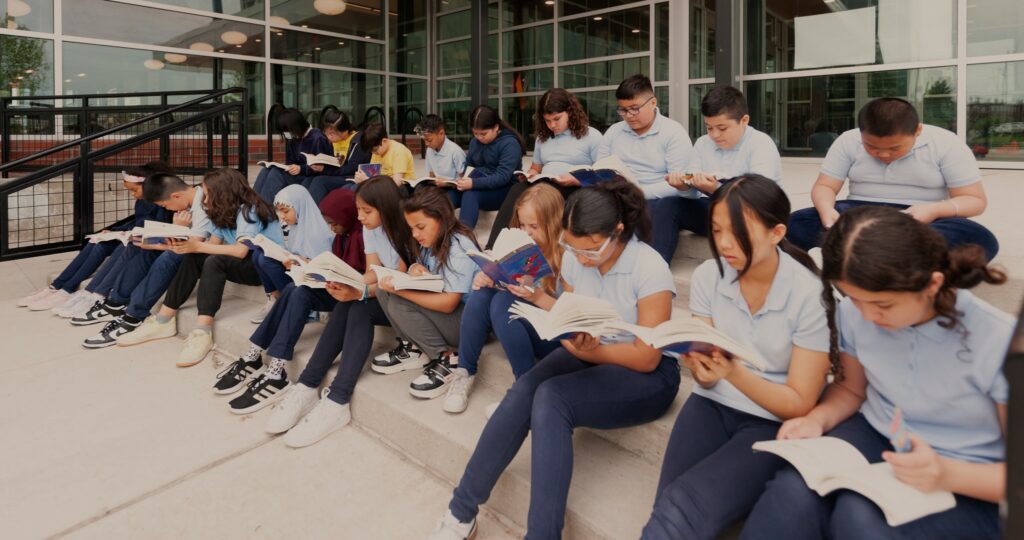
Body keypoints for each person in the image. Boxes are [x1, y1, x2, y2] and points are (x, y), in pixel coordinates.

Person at [428, 178, 681, 539]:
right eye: (573, 249)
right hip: (592, 348)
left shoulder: (649, 267)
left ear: (618, 232)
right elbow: (573, 308)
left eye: (589, 250)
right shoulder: (579, 258)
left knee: (551, 398)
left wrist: (590, 348)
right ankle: (460, 512)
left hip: (645, 373)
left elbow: (647, 358)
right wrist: (541, 302)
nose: (580, 259)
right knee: (525, 389)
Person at [742, 206, 1011, 540]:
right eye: (855, 300)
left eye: (883, 305)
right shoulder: (856, 314)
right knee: (792, 491)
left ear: (932, 283)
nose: (867, 317)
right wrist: (819, 419)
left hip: (970, 473)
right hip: (881, 433)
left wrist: (946, 474)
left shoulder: (1002, 343)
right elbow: (852, 390)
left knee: (862, 519)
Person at [641, 175, 830, 540]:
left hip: (771, 419)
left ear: (777, 233)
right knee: (665, 509)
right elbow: (706, 375)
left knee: (680, 512)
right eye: (716, 229)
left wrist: (732, 372)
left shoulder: (810, 296)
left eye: (739, 231)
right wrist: (704, 370)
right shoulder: (709, 275)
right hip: (711, 403)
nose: (724, 244)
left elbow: (799, 404)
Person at [240, 177, 418, 445]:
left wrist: (360, 292)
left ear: (387, 207)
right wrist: (349, 282)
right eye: (358, 210)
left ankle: (338, 399)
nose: (360, 217)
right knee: (348, 301)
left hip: (405, 300)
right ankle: (307, 386)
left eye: (367, 211)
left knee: (358, 308)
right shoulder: (371, 229)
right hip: (383, 291)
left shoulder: (406, 231)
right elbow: (372, 272)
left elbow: (396, 283)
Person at [786, 97, 999, 260]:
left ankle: (849, 256)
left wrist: (932, 210)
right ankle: (892, 260)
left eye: (895, 148)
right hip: (858, 212)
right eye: (871, 147)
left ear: (917, 130)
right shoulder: (848, 141)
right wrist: (826, 211)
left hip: (922, 218)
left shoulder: (946, 143)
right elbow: (825, 186)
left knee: (978, 240)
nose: (883, 154)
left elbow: (974, 201)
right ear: (861, 133)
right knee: (794, 223)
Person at [115, 169, 283, 368]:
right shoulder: (221, 212)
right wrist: (167, 245)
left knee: (212, 260)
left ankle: (202, 332)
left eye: (208, 193)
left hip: (263, 268)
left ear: (224, 192)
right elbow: (212, 245)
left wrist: (196, 246)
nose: (204, 198)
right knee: (197, 257)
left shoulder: (249, 210)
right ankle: (163, 319)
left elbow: (239, 251)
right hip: (240, 263)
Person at [221, 187, 368, 415]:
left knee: (297, 290)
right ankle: (257, 353)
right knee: (293, 289)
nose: (330, 226)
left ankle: (275, 368)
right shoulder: (341, 235)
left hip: (349, 297)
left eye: (333, 221)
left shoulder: (357, 236)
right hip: (330, 287)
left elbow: (355, 274)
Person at [442, 183, 566, 413]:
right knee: (483, 292)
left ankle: (524, 390)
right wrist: (487, 276)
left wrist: (537, 295)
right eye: (522, 225)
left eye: (534, 226)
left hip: (557, 338)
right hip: (524, 322)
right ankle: (465, 372)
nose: (527, 232)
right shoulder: (520, 247)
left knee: (502, 302)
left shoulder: (568, 255)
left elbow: (573, 315)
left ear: (554, 222)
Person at [78, 173, 213, 346]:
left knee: (169, 257)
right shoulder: (188, 201)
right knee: (142, 248)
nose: (170, 210)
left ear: (176, 196)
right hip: (192, 245)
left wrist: (175, 231)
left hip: (210, 251)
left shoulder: (203, 203)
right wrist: (154, 242)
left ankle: (134, 316)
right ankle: (115, 302)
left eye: (165, 205)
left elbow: (193, 245)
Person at [20, 162, 175, 313]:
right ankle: (58, 286)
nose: (133, 195)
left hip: (142, 240)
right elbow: (136, 221)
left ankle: (73, 289)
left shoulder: (159, 201)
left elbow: (155, 225)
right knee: (95, 242)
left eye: (134, 190)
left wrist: (124, 233)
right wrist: (113, 231)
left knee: (107, 246)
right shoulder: (143, 200)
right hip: (131, 235)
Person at [652, 86, 782, 262]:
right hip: (714, 209)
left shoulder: (761, 144)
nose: (714, 135)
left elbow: (758, 197)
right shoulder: (702, 143)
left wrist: (717, 188)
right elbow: (693, 192)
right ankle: (657, 270)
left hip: (751, 212)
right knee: (668, 204)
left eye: (722, 128)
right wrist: (683, 185)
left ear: (744, 121)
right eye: (709, 128)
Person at [371, 187, 479, 399]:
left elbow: (449, 303)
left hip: (469, 323)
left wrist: (403, 291)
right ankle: (412, 348)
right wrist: (413, 270)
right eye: (411, 228)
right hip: (451, 315)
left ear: (441, 218)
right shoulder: (431, 241)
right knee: (384, 291)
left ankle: (447, 358)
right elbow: (422, 271)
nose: (414, 234)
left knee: (398, 299)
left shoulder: (459, 247)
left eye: (420, 227)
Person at [485, 88, 603, 249]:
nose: (552, 125)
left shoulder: (592, 136)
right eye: (547, 121)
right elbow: (536, 167)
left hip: (575, 188)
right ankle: (493, 248)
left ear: (570, 112)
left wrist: (577, 179)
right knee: (517, 189)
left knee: (547, 193)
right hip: (545, 184)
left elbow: (603, 173)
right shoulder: (543, 138)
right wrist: (530, 175)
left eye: (557, 119)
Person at [596, 74, 692, 202]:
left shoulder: (673, 132)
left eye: (635, 109)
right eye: (623, 110)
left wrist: (639, 193)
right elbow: (600, 170)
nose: (629, 115)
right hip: (618, 195)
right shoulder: (614, 131)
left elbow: (681, 183)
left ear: (653, 103)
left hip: (656, 199)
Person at [248, 185, 335, 323]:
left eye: (286, 211)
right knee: (258, 253)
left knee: (266, 260)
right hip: (298, 273)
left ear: (300, 207)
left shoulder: (318, 233)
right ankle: (277, 299)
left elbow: (324, 271)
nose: (282, 217)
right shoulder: (296, 226)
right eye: (279, 212)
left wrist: (300, 261)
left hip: (313, 285)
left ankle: (298, 307)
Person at [446, 105, 524, 228]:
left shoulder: (510, 144)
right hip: (479, 183)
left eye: (483, 133)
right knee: (448, 196)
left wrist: (473, 183)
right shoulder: (474, 142)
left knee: (471, 194)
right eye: (475, 133)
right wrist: (461, 182)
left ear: (496, 127)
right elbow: (469, 165)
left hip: (503, 190)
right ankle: (438, 234)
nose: (479, 137)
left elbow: (503, 177)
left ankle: (464, 237)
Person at [253, 107, 337, 204]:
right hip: (297, 174)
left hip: (309, 177)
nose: (286, 134)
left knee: (276, 174)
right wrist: (288, 167)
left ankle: (265, 210)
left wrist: (301, 168)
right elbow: (290, 161)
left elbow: (324, 166)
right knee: (266, 170)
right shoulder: (294, 138)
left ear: (295, 127)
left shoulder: (318, 138)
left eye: (287, 130)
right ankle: (253, 205)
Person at [302, 105, 374, 203]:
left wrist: (325, 169)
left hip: (352, 176)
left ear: (344, 130)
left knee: (319, 181)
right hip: (339, 174)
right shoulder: (335, 141)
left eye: (331, 134)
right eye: (326, 133)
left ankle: (312, 215)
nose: (328, 137)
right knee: (308, 180)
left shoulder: (358, 141)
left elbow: (352, 169)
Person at [419, 113, 466, 187]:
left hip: (454, 189)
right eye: (424, 140)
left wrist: (447, 183)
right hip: (438, 187)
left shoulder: (455, 151)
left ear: (441, 133)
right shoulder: (430, 150)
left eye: (430, 140)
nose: (426, 144)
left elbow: (464, 180)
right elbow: (431, 175)